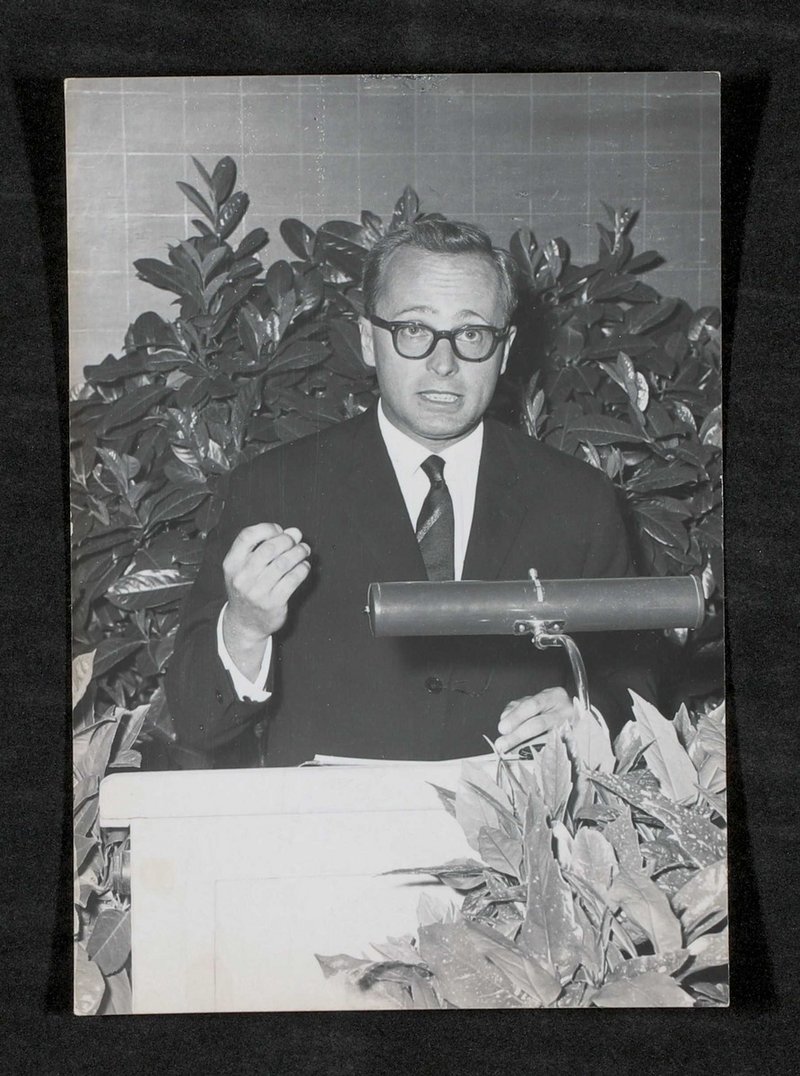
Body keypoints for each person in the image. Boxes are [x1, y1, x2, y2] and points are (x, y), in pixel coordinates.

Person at [165, 219, 656, 768]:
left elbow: (636, 680)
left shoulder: (578, 499)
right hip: (328, 821)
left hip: (519, 819)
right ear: (367, 339)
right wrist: (245, 627)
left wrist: (589, 715)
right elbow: (196, 721)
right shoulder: (274, 488)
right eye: (414, 329)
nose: (444, 364)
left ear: (506, 348)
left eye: (472, 334)